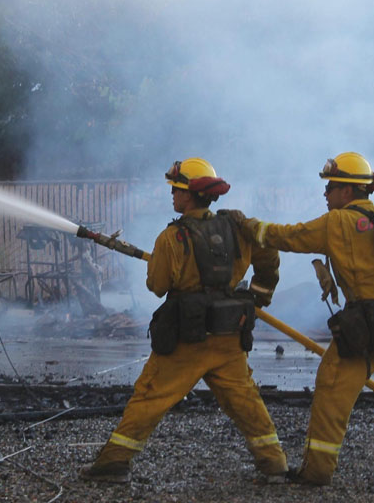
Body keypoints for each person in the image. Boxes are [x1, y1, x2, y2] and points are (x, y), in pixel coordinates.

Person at [231, 152, 374, 489]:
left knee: (331, 391)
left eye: (331, 187)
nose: (325, 194)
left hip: (368, 333)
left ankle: (316, 472)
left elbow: (287, 236)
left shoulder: (337, 222)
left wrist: (247, 225)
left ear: (347, 191)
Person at [78, 157, 288, 484]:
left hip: (187, 340)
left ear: (189, 195)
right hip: (229, 336)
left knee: (149, 398)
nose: (172, 195)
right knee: (245, 400)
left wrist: (162, 267)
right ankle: (274, 464)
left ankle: (113, 464)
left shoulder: (172, 238)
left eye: (176, 189)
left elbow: (158, 285)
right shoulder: (237, 228)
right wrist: (259, 295)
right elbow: (269, 253)